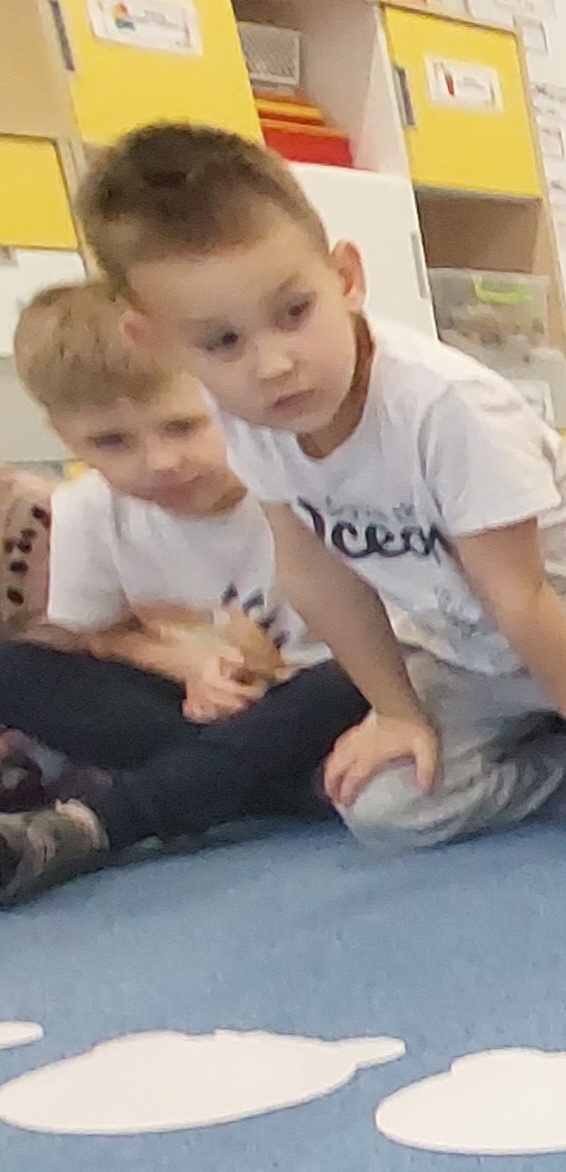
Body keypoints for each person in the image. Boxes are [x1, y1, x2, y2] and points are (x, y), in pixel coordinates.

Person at [84, 123, 566, 850]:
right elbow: (314, 574)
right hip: (471, 651)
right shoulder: (250, 414)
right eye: (222, 342)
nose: (274, 365)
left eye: (294, 313)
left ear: (346, 278)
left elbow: (520, 595)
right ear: (156, 342)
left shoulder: (444, 406)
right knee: (384, 810)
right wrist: (396, 712)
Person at [0, 284, 367, 903]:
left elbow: (377, 643)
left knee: (340, 684)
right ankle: (260, 783)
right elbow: (104, 635)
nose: (161, 461)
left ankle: (97, 824)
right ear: (64, 437)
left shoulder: (296, 479)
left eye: (184, 426)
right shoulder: (86, 509)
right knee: (14, 667)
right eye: (112, 442)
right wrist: (188, 663)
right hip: (203, 713)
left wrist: (262, 677)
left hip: (319, 694)